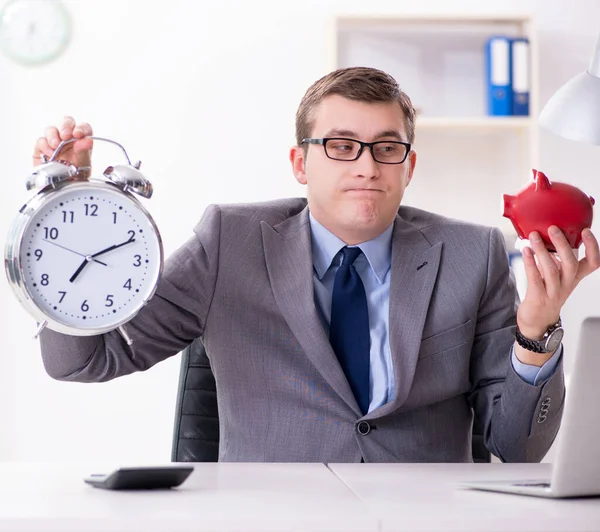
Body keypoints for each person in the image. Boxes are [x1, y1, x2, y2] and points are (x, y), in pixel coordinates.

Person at [33, 67, 599, 463]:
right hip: (272, 520)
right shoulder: (228, 241)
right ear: (299, 164)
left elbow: (518, 448)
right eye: (341, 145)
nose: (367, 165)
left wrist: (536, 331)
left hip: (423, 521)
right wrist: (69, 211)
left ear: (409, 166)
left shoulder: (471, 253)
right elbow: (86, 361)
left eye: (386, 147)